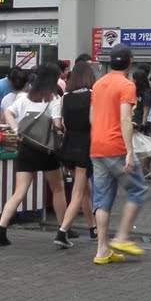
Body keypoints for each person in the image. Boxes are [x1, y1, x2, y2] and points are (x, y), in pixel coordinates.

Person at [0, 65, 65, 245]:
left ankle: (1, 228)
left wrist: (16, 130)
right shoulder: (54, 99)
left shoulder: (26, 97)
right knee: (57, 188)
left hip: (26, 147)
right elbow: (57, 126)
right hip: (46, 150)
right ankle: (63, 228)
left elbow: (8, 112)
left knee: (19, 191)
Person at [89, 45, 147, 265]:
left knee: (101, 199)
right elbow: (125, 118)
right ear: (130, 62)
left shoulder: (98, 84)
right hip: (116, 146)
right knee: (138, 189)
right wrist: (130, 151)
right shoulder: (126, 85)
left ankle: (102, 250)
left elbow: (92, 117)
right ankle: (122, 237)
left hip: (97, 146)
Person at [55, 60, 97, 248]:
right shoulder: (92, 95)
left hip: (69, 144)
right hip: (85, 145)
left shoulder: (65, 97)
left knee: (84, 188)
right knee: (79, 191)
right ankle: (62, 232)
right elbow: (93, 121)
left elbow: (61, 124)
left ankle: (92, 228)